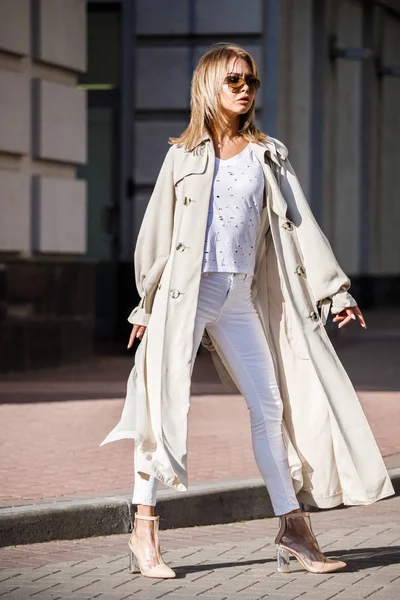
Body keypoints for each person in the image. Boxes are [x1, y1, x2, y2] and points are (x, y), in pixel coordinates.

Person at [101, 43, 394, 579]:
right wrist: (143, 306)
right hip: (181, 295)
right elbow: (155, 235)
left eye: (251, 81)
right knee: (160, 406)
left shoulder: (268, 154)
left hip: (238, 296)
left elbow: (301, 225)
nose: (244, 88)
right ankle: (144, 530)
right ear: (209, 85)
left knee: (271, 407)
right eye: (234, 79)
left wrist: (335, 292)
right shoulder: (182, 156)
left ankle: (294, 529)